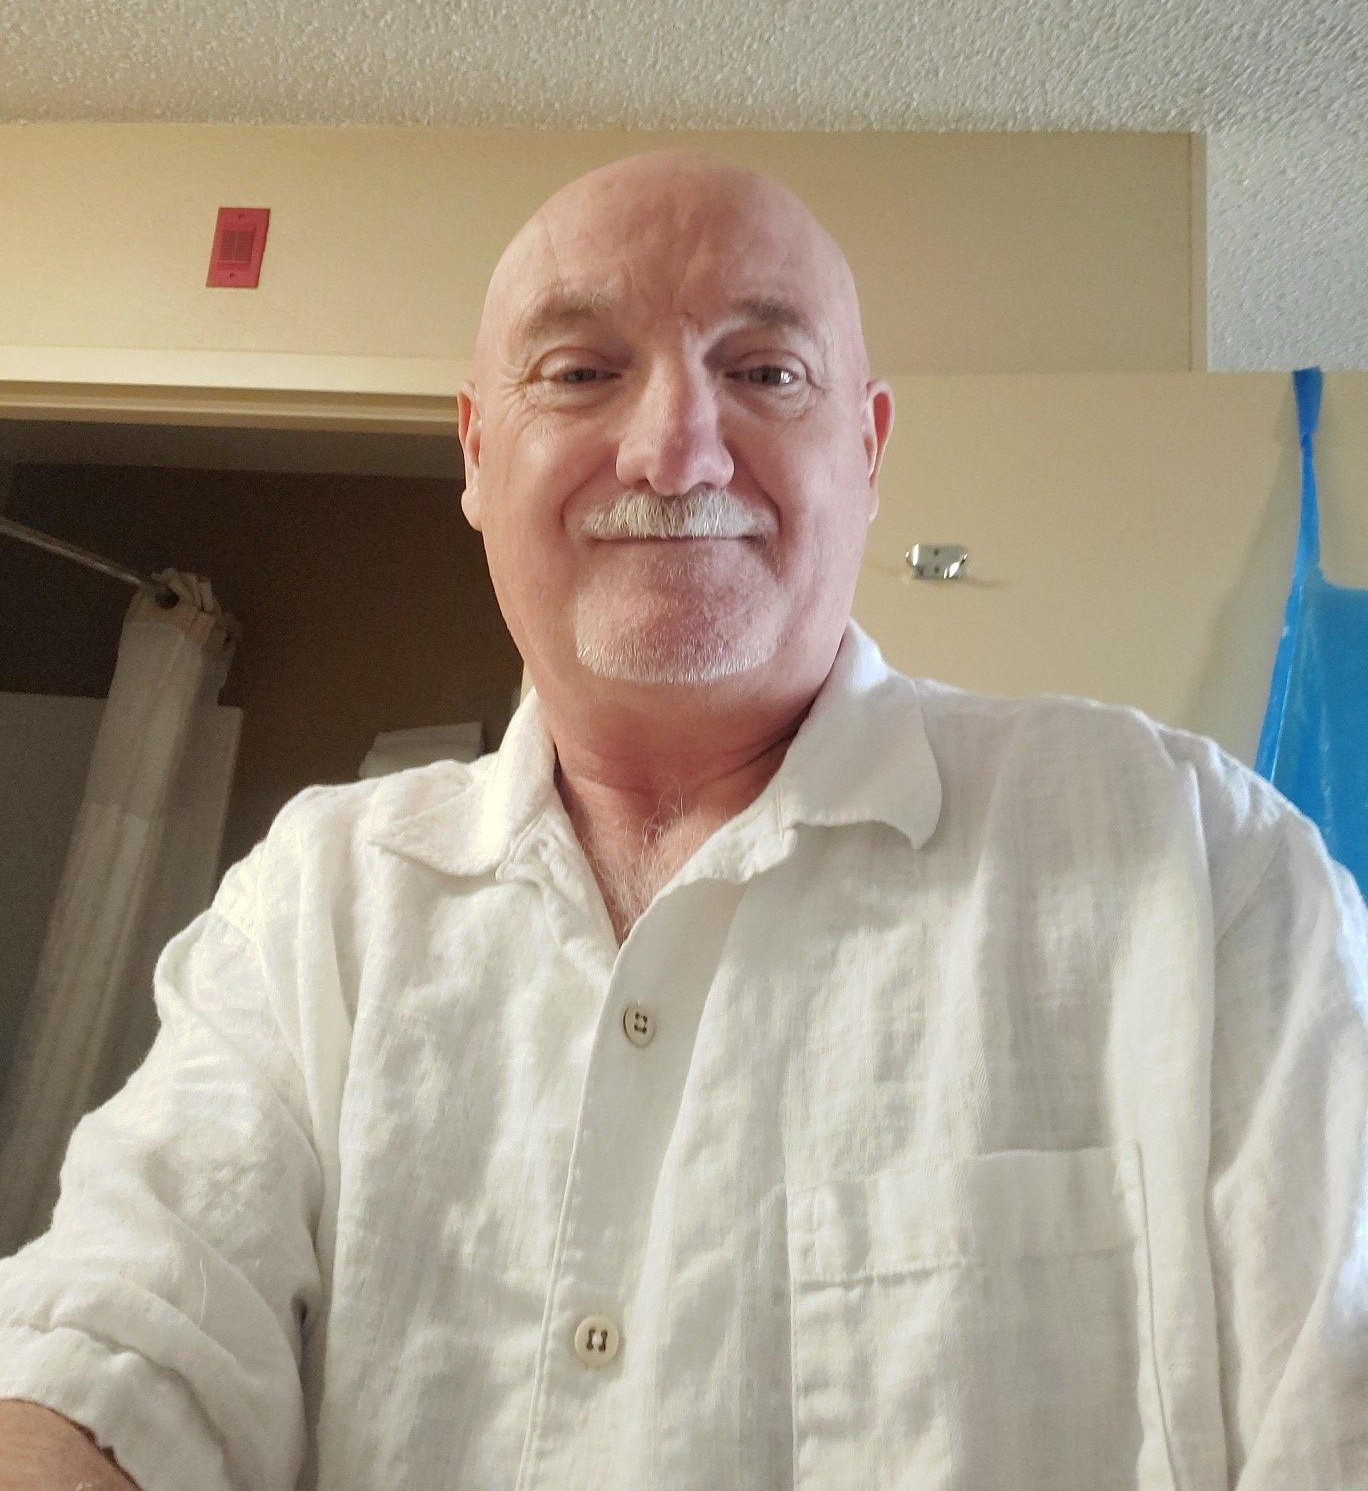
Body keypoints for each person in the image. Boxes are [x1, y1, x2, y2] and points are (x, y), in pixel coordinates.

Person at [1, 150, 1365, 1490]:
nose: (672, 448)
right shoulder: (318, 903)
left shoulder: (1200, 859)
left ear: (869, 449)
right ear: (476, 452)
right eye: (579, 372)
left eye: (765, 373)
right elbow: (122, 1344)